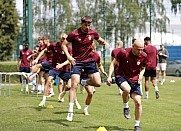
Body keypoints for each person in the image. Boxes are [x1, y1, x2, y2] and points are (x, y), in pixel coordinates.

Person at [61, 16, 110, 121]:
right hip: (77, 62)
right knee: (74, 85)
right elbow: (64, 45)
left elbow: (99, 39)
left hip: (89, 62)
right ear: (81, 23)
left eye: (89, 25)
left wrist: (104, 42)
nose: (87, 27)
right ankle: (70, 112)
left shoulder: (92, 33)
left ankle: (84, 82)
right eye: (85, 25)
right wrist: (69, 56)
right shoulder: (74, 34)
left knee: (98, 83)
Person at [107, 39, 147, 131]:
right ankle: (126, 107)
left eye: (142, 49)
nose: (140, 51)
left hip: (134, 80)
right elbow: (113, 64)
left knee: (138, 102)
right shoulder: (123, 52)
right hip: (122, 76)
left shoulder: (144, 56)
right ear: (133, 46)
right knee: (127, 89)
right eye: (138, 49)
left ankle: (137, 125)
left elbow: (143, 68)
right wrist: (109, 76)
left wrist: (141, 75)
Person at [81, 42, 108, 115]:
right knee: (90, 92)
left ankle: (85, 108)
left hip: (91, 76)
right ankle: (85, 109)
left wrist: (103, 71)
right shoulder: (83, 55)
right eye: (91, 49)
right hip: (84, 76)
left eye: (94, 49)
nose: (93, 51)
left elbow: (99, 65)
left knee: (91, 92)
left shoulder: (96, 55)